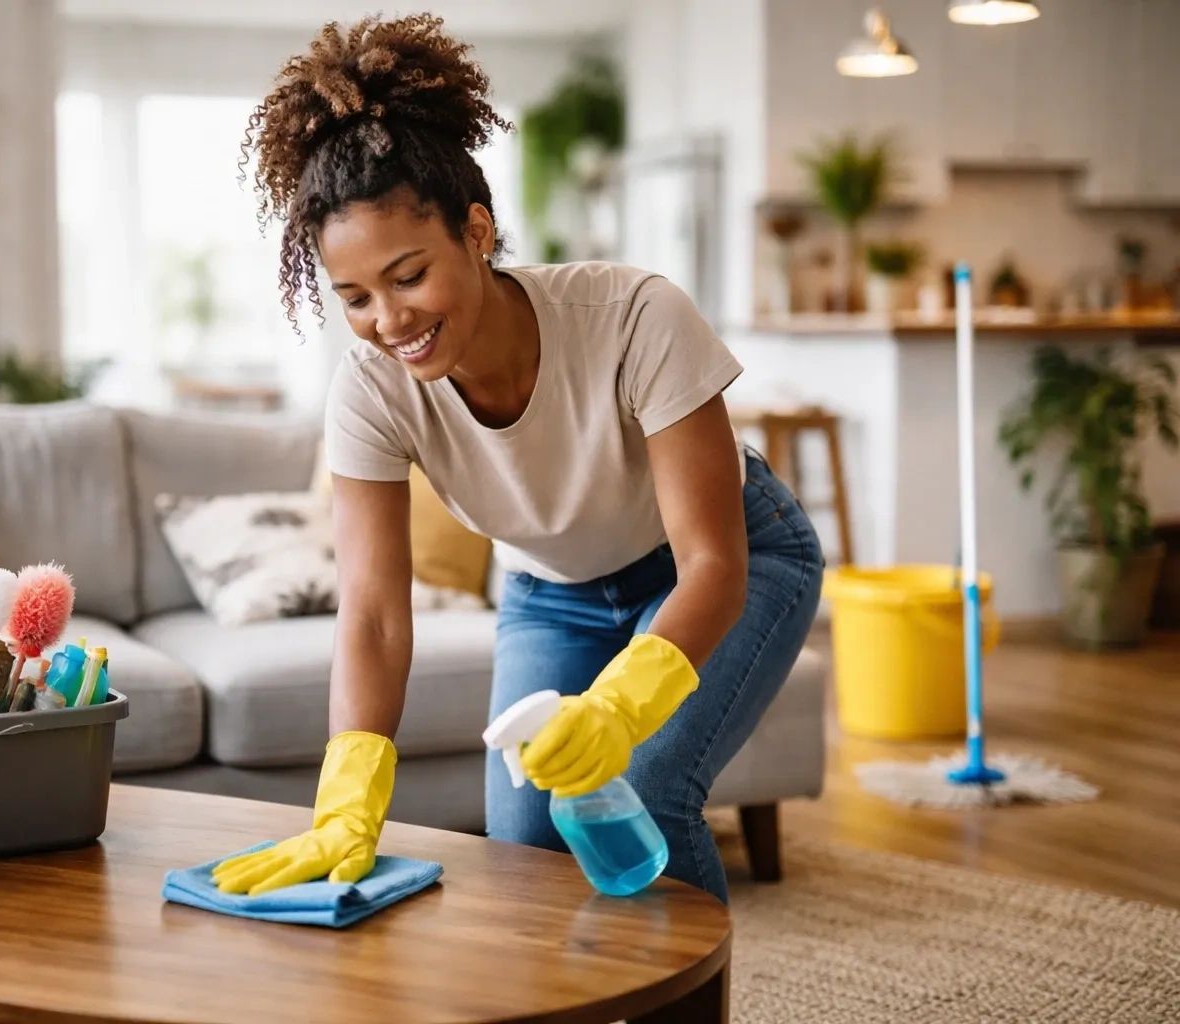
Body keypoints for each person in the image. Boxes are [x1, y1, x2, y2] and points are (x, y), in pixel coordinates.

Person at [210, 13, 822, 905]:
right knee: (526, 841)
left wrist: (619, 708)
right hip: (553, 592)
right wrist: (346, 802)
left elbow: (713, 564)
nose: (389, 321)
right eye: (354, 297)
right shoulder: (371, 392)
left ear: (478, 230)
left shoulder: (632, 316)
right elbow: (376, 617)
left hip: (733, 559)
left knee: (646, 787)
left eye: (409, 274)